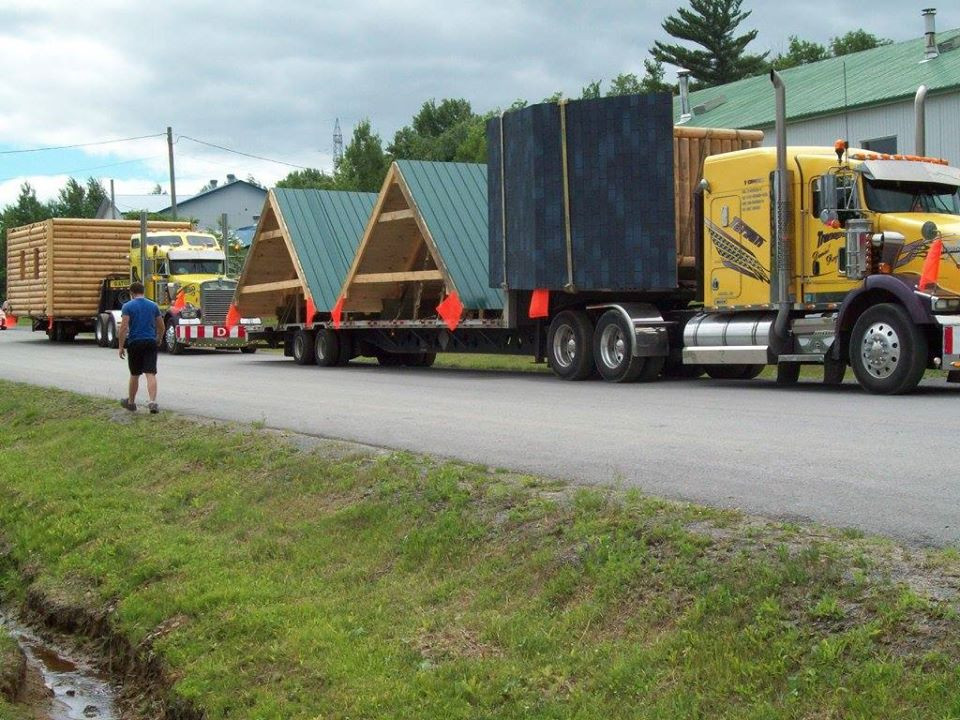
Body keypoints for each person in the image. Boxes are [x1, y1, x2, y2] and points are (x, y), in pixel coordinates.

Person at [118, 281, 164, 413]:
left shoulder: (127, 306)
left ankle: (131, 403)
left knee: (135, 374)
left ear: (131, 293)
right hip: (150, 342)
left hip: (135, 342)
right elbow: (161, 326)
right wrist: (159, 339)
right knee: (150, 373)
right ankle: (152, 401)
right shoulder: (153, 305)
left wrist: (121, 346)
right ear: (143, 291)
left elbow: (124, 327)